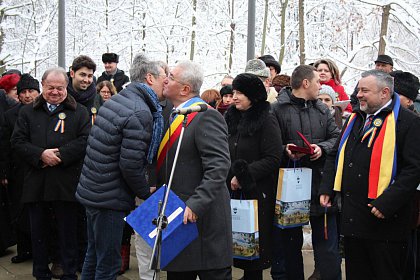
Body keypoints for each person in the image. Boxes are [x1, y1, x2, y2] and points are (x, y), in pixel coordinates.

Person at [319, 70, 420, 280]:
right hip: (354, 218)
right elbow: (335, 155)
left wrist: (387, 203)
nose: (358, 94)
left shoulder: (408, 122)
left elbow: (413, 169)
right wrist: (327, 187)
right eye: (358, 89)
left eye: (365, 90)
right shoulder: (355, 119)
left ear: (384, 93)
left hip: (385, 220)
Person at [76, 53, 166, 280]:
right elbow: (129, 164)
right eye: (164, 75)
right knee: (108, 262)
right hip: (109, 197)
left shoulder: (121, 99)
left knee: (94, 254)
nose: (167, 80)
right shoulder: (140, 112)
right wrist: (145, 193)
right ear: (150, 78)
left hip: (94, 190)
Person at [11, 67, 91, 280]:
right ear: (42, 87)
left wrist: (61, 155)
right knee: (39, 233)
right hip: (37, 183)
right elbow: (17, 142)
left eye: (60, 88)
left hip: (66, 184)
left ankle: (68, 272)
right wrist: (40, 155)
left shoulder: (80, 111)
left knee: (68, 233)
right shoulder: (26, 112)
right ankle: (41, 272)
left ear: (67, 87)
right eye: (50, 88)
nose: (55, 92)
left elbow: (85, 140)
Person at [157, 60, 232, 280]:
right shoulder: (172, 113)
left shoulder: (206, 116)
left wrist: (196, 203)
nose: (165, 80)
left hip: (202, 219)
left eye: (170, 77)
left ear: (185, 89)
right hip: (176, 216)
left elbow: (218, 167)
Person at [271, 65, 341, 280]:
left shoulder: (321, 108)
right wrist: (286, 150)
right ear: (306, 83)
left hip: (320, 184)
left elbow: (337, 138)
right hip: (289, 187)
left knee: (327, 244)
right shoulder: (276, 109)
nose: (321, 86)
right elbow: (270, 145)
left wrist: (322, 148)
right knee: (289, 245)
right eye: (318, 82)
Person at [225, 73, 282, 280]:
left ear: (253, 96)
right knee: (234, 243)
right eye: (233, 92)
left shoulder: (266, 119)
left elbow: (273, 157)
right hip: (230, 191)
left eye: (240, 93)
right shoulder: (230, 116)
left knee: (253, 246)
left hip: (257, 193)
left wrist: (243, 176)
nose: (235, 97)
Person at [1, 74, 40, 264]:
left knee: (40, 212)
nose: (26, 95)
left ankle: (42, 249)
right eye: (22, 91)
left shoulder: (43, 112)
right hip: (17, 171)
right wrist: (5, 172)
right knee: (19, 211)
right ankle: (24, 249)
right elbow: (5, 145)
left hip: (40, 169)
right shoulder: (10, 115)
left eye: (31, 91)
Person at [67, 55, 103, 125]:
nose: (86, 80)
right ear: (72, 73)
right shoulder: (60, 96)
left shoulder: (98, 100)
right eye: (82, 75)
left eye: (90, 76)